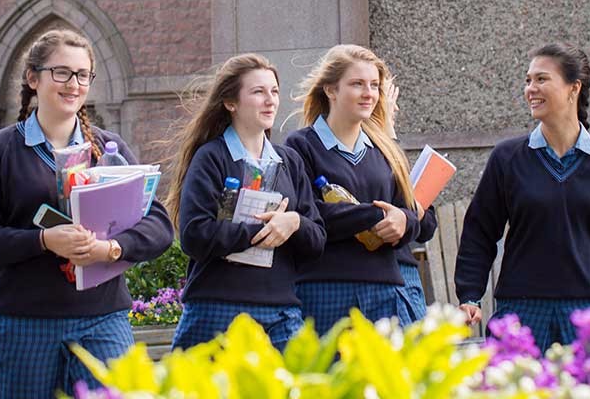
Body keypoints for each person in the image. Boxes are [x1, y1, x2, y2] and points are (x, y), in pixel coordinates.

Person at [0, 30, 173, 398]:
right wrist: (42, 240)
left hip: (103, 320)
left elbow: (158, 224)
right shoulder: (0, 150)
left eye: (83, 74)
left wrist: (113, 249)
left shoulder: (109, 149)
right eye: (61, 72)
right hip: (22, 323)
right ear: (33, 78)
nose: (73, 84)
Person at [454, 42, 590, 355]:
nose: (530, 88)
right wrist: (469, 295)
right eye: (528, 80)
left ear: (574, 87)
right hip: (521, 313)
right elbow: (480, 232)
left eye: (541, 79)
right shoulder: (507, 158)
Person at [164, 54, 326, 351]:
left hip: (281, 313)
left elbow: (317, 239)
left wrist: (293, 223)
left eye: (274, 91)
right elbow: (194, 235)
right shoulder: (211, 157)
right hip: (217, 312)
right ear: (230, 102)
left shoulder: (289, 161)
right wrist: (259, 232)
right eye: (258, 92)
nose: (270, 100)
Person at [284, 44, 421, 335]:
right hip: (324, 291)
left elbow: (412, 212)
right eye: (357, 84)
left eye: (374, 85)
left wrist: (402, 222)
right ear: (331, 90)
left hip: (387, 290)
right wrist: (374, 215)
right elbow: (311, 217)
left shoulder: (386, 149)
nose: (369, 93)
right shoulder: (300, 146)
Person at [384, 79, 438, 321]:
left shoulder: (393, 149)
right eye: (388, 103)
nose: (393, 110)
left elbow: (427, 227)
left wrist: (419, 212)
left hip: (405, 274)